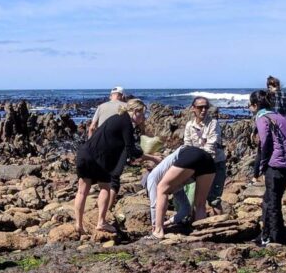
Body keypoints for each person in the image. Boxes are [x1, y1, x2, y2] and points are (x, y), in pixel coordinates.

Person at [73, 98, 146, 235]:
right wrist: (150, 156)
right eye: (142, 114)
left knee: (82, 191)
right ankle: (101, 222)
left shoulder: (116, 118)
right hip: (99, 159)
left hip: (84, 153)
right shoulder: (126, 123)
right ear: (136, 111)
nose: (143, 117)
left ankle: (78, 224)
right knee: (105, 187)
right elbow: (131, 150)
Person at [250, 89, 286, 246]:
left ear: (255, 105)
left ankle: (274, 239)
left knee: (272, 202)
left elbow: (265, 143)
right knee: (271, 200)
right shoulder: (280, 116)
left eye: (250, 105)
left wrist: (262, 166)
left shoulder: (262, 117)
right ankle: (269, 234)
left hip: (276, 165)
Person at [147, 146, 216, 239]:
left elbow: (154, 205)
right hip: (208, 159)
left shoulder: (151, 178)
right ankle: (202, 233)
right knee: (200, 203)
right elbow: (186, 208)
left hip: (189, 154)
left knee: (161, 189)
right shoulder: (174, 184)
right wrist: (168, 222)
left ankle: (158, 231)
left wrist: (155, 225)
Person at [183, 96, 226, 211]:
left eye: (206, 107)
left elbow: (211, 146)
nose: (203, 110)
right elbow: (187, 146)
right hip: (198, 165)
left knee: (214, 198)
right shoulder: (189, 125)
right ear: (193, 108)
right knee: (196, 197)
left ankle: (221, 225)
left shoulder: (213, 123)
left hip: (215, 163)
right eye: (200, 107)